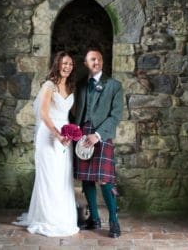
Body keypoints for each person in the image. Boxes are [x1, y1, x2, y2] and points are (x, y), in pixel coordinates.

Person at [13, 51, 79, 237]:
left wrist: (69, 134)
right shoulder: (49, 85)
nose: (67, 67)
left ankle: (63, 217)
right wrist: (57, 134)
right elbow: (43, 113)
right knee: (49, 177)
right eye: (64, 63)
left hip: (65, 137)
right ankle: (47, 219)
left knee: (62, 177)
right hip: (49, 134)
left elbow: (67, 114)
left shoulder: (71, 87)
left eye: (71, 64)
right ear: (58, 64)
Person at [73, 48, 124, 238]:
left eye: (99, 59)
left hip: (102, 134)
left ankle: (113, 221)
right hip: (82, 134)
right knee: (86, 179)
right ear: (86, 63)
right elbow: (75, 111)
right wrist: (74, 131)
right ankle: (94, 218)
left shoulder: (114, 85)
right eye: (92, 59)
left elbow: (116, 115)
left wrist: (98, 135)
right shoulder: (80, 85)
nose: (97, 62)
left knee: (105, 179)